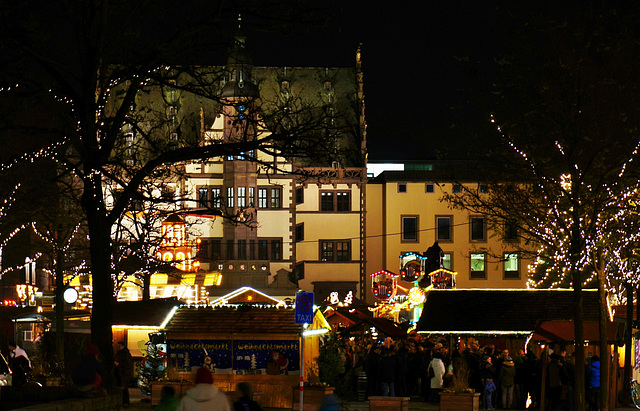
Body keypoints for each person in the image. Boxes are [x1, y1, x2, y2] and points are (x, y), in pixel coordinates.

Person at [114, 341, 134, 407]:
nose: (118, 347)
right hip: (121, 373)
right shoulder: (122, 353)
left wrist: (119, 364)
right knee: (122, 388)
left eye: (119, 346)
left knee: (124, 388)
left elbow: (127, 364)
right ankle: (124, 402)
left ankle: (125, 402)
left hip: (123, 373)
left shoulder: (124, 354)